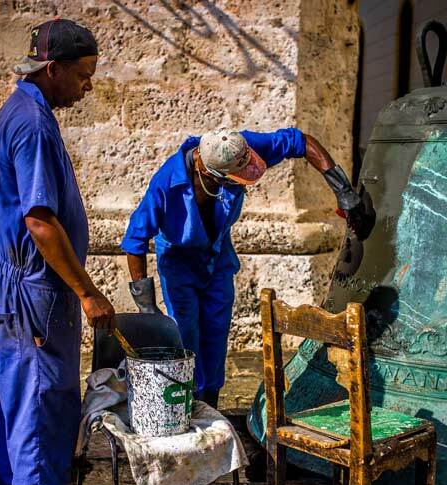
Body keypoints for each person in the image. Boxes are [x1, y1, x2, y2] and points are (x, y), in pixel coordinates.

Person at [0, 18, 114, 485]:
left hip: (18, 282)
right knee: (41, 399)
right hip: (35, 286)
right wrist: (87, 292)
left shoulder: (18, 112)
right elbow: (40, 221)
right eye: (82, 76)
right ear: (52, 69)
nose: (87, 87)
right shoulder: (33, 124)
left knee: (17, 396)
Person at [120, 128, 373, 409]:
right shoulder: (166, 185)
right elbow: (135, 240)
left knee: (216, 335)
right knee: (185, 340)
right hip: (179, 266)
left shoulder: (239, 147)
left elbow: (301, 142)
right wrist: (147, 309)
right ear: (208, 173)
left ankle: (212, 408)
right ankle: (185, 410)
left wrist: (342, 188)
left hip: (217, 260)